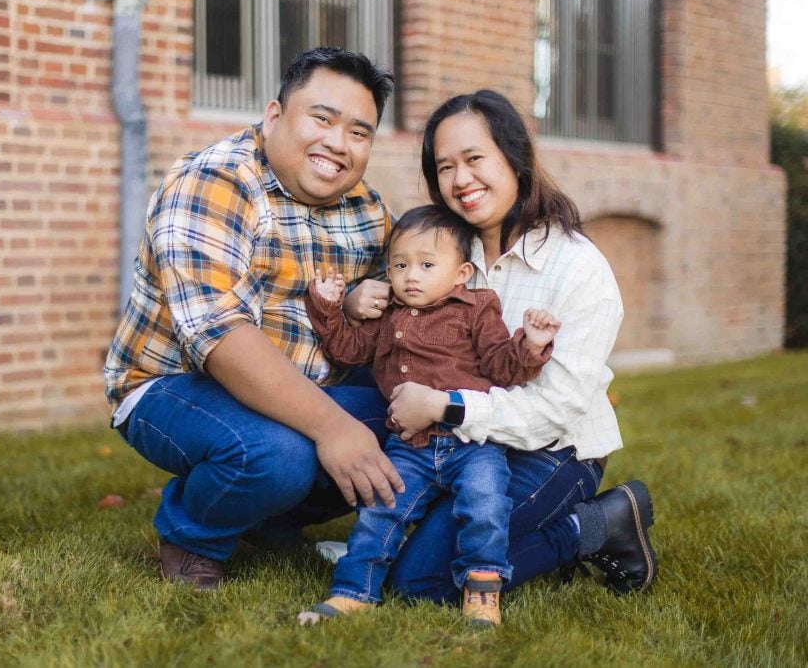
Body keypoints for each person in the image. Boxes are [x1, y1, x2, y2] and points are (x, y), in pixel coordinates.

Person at [103, 47, 403, 590]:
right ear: (273, 115)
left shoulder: (366, 209)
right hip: (171, 385)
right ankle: (192, 533)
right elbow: (220, 339)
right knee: (276, 455)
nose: (338, 143)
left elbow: (416, 289)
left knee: (407, 412)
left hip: (305, 384)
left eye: (359, 133)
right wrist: (336, 428)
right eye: (322, 118)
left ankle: (267, 519)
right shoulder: (215, 182)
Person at [350, 90, 659, 601]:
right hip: (454, 442)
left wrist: (446, 407)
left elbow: (552, 411)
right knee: (338, 408)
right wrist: (358, 300)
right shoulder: (446, 248)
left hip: (550, 449)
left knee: (420, 582)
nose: (461, 181)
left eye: (475, 159)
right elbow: (389, 323)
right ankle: (283, 521)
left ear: (514, 157)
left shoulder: (578, 269)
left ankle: (597, 526)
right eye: (445, 167)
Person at [299, 205, 561, 626]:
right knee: (380, 511)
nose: (410, 276)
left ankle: (482, 588)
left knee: (485, 503)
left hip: (471, 444)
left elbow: (501, 367)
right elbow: (348, 351)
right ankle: (353, 592)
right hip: (409, 446)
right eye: (399, 265)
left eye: (425, 265)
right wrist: (331, 308)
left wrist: (530, 344)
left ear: (461, 273)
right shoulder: (388, 315)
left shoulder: (477, 308)